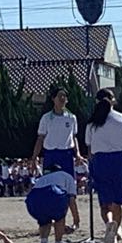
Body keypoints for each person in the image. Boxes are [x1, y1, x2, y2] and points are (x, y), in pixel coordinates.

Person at [85, 88, 122, 243]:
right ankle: (114, 232)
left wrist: (92, 166)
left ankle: (109, 224)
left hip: (99, 161)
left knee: (104, 202)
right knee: (117, 202)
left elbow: (89, 148)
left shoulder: (92, 123)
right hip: (119, 161)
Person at [30, 87, 82, 227]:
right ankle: (52, 220)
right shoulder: (47, 118)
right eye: (60, 96)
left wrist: (77, 153)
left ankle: (75, 220)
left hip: (66, 155)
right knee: (50, 187)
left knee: (69, 188)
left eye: (64, 96)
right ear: (53, 99)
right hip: (51, 155)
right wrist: (34, 158)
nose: (62, 98)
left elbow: (74, 137)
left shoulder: (71, 117)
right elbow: (40, 138)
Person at [25, 165, 78, 243]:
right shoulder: (67, 176)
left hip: (33, 199)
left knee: (44, 220)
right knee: (59, 216)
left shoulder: (42, 178)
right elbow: (71, 201)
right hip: (53, 193)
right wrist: (76, 221)